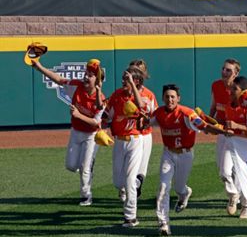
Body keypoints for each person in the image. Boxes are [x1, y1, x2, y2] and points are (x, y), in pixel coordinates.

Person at [149, 84, 227, 236]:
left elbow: (204, 127)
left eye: (173, 96)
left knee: (179, 188)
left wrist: (223, 131)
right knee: (163, 187)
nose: (170, 99)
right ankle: (163, 223)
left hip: (185, 154)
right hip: (168, 154)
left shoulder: (187, 114)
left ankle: (184, 193)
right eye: (167, 96)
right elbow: (145, 123)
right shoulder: (158, 113)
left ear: (178, 98)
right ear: (163, 98)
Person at [32, 59, 105, 206]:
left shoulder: (101, 99)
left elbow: (96, 122)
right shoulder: (76, 86)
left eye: (90, 75)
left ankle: (86, 196)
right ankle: (88, 165)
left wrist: (78, 115)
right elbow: (58, 79)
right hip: (76, 131)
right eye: (86, 73)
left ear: (97, 81)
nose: (86, 76)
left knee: (84, 169)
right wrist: (39, 67)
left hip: (91, 135)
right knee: (71, 166)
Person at [104, 66, 145, 227]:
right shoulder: (117, 95)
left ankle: (131, 217)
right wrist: (103, 127)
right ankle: (135, 183)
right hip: (119, 141)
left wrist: (132, 85)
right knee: (118, 182)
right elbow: (107, 114)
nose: (123, 82)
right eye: (123, 79)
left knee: (128, 180)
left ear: (135, 81)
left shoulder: (138, 95)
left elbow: (141, 105)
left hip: (135, 140)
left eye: (126, 79)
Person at [220, 76, 247, 218]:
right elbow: (227, 125)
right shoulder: (229, 104)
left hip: (246, 145)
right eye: (231, 87)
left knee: (245, 176)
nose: (231, 90)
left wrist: (236, 126)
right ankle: (233, 194)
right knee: (224, 172)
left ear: (244, 92)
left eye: (235, 89)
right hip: (231, 141)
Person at [209, 59, 241, 214]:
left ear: (236, 73)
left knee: (237, 169)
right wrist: (208, 122)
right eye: (223, 68)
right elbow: (214, 107)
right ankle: (233, 193)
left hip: (237, 136)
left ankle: (239, 199)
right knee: (222, 169)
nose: (224, 72)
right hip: (222, 131)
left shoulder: (240, 90)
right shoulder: (216, 85)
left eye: (228, 70)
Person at [128, 59, 158, 198]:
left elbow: (155, 114)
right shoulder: (125, 92)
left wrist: (148, 120)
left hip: (144, 134)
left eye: (140, 71)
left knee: (141, 166)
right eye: (134, 70)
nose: (137, 73)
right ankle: (128, 187)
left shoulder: (149, 94)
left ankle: (136, 186)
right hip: (128, 133)